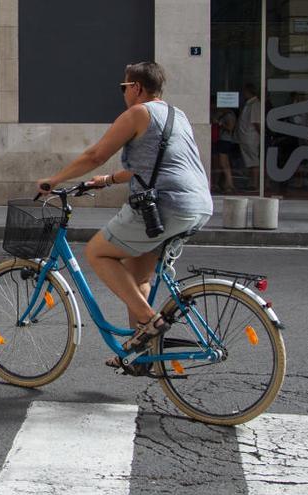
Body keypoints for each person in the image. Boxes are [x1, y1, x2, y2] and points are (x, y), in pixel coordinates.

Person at [35, 62, 212, 373]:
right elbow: (158, 164)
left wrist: (55, 179)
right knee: (139, 276)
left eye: (123, 87)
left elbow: (95, 154)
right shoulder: (176, 115)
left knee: (96, 251)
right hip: (197, 203)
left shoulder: (138, 113)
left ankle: (148, 322)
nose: (123, 93)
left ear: (136, 88)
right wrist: (105, 181)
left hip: (165, 204)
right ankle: (140, 357)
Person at [236, 83, 261, 191]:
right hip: (245, 136)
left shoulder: (255, 104)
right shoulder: (249, 104)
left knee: (254, 160)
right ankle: (252, 182)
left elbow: (256, 122)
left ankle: (255, 184)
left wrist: (261, 135)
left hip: (251, 137)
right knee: (250, 161)